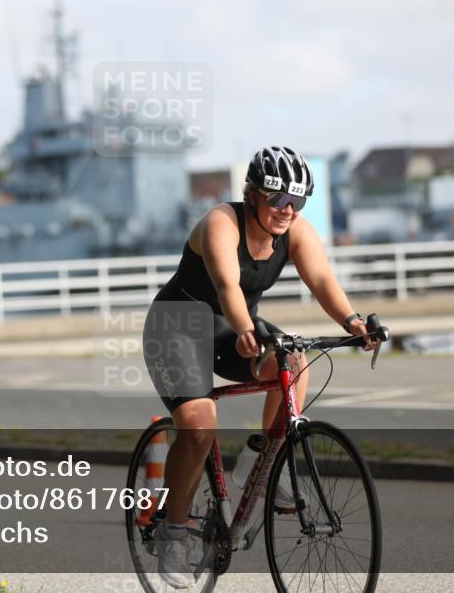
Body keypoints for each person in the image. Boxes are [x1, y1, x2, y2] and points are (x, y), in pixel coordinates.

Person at [142, 146, 379, 588]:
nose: (287, 210)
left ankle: (266, 465)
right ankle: (173, 533)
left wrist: (352, 322)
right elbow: (227, 284)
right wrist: (245, 327)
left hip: (236, 326)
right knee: (198, 425)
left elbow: (323, 280)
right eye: (278, 200)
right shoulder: (220, 223)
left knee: (294, 361)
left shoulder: (297, 232)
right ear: (252, 194)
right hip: (178, 325)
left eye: (298, 201)